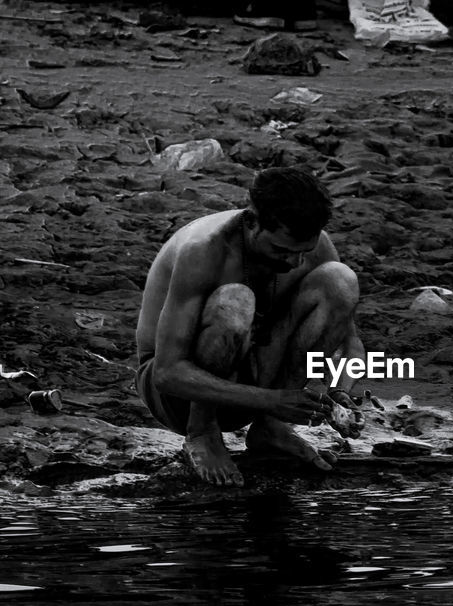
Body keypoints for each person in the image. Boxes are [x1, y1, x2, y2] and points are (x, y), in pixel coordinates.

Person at [135, 167, 364, 486]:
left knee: (341, 280)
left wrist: (341, 390)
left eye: (303, 253)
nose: (293, 263)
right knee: (235, 301)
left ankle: (272, 429)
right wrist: (273, 400)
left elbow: (350, 346)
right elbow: (167, 373)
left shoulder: (314, 246)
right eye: (281, 251)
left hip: (256, 385)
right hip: (178, 398)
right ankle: (202, 434)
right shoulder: (205, 249)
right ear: (251, 221)